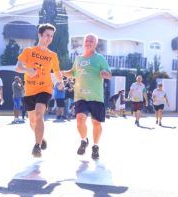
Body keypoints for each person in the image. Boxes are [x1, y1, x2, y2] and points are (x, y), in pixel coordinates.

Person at [15, 23, 63, 158]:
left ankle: (37, 147)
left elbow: (57, 71)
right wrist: (27, 70)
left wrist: (60, 82)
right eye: (47, 35)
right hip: (29, 90)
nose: (49, 38)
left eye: (51, 36)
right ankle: (40, 139)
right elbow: (18, 67)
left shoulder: (53, 55)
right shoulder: (28, 51)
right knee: (32, 122)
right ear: (40, 35)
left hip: (45, 89)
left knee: (38, 114)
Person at [62, 33, 111, 160]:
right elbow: (72, 73)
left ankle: (95, 146)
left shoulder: (100, 58)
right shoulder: (78, 59)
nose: (88, 42)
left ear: (95, 44)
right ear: (84, 43)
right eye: (87, 40)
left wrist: (104, 73)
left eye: (91, 41)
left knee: (96, 123)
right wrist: (61, 72)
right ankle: (84, 140)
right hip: (80, 96)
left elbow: (109, 74)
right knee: (79, 119)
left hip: (96, 97)